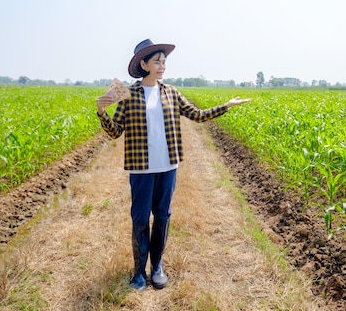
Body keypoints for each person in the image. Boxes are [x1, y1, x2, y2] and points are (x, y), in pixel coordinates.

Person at [95, 39, 251, 291]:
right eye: (157, 61)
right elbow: (115, 132)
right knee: (139, 218)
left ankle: (157, 266)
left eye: (164, 62)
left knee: (163, 216)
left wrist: (226, 106)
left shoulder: (171, 92)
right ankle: (138, 272)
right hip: (141, 169)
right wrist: (102, 113)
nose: (162, 66)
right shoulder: (127, 94)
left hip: (168, 167)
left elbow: (197, 116)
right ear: (143, 63)